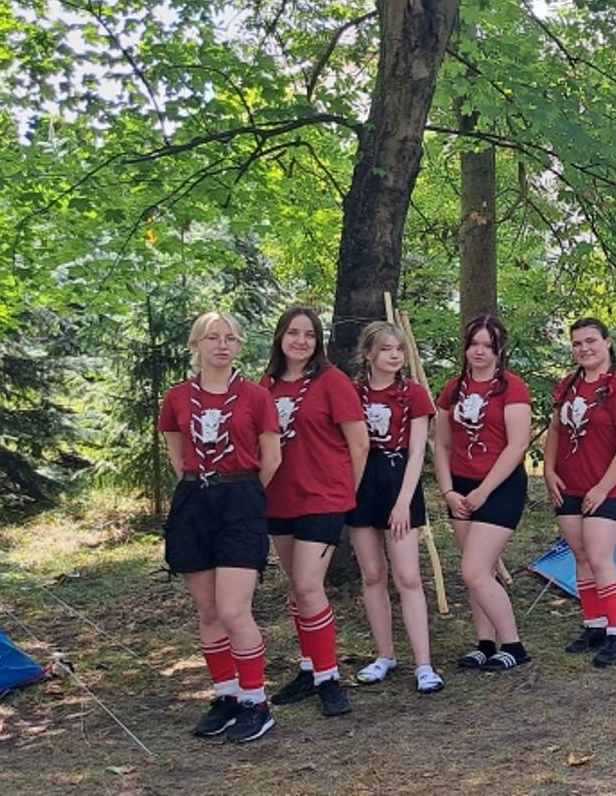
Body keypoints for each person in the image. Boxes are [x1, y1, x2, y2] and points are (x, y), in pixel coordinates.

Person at [163, 312, 281, 743]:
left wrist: (242, 492)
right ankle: (226, 696)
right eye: (212, 338)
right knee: (209, 611)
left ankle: (256, 701)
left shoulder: (255, 396)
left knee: (234, 609)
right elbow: (177, 455)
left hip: (241, 498)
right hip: (195, 500)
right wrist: (202, 487)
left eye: (230, 338)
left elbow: (272, 459)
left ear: (239, 346)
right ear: (196, 346)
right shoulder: (177, 397)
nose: (221, 345)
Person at [260, 308, 367, 717]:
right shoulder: (265, 384)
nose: (301, 341)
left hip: (323, 498)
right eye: (293, 333)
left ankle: (328, 677)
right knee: (297, 587)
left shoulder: (332, 381)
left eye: (309, 334)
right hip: (279, 498)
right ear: (280, 338)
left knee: (308, 585)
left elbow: (359, 445)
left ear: (318, 341)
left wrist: (344, 496)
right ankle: (308, 667)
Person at [433, 314, 534, 672]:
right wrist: (447, 490)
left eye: (487, 345)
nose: (479, 351)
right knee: (480, 570)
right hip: (460, 486)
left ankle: (514, 644)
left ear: (499, 349)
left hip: (499, 487)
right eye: (473, 344)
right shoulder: (452, 389)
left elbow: (517, 444)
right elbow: (441, 445)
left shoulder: (512, 388)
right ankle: (485, 642)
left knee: (473, 570)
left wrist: (483, 491)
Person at [346, 321, 444, 694]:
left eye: (398, 349)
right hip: (362, 481)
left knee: (407, 576)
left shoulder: (413, 394)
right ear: (368, 354)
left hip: (399, 479)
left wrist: (403, 502)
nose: (394, 355)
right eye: (386, 349)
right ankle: (384, 655)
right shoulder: (352, 393)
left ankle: (424, 664)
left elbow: (418, 450)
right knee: (372, 574)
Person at [545, 318, 616, 668]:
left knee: (601, 557)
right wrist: (548, 470)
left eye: (591, 341)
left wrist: (602, 487)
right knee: (581, 555)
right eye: (577, 343)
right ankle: (596, 624)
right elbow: (555, 430)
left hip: (607, 487)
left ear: (608, 342)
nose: (584, 349)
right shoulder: (568, 385)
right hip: (569, 485)